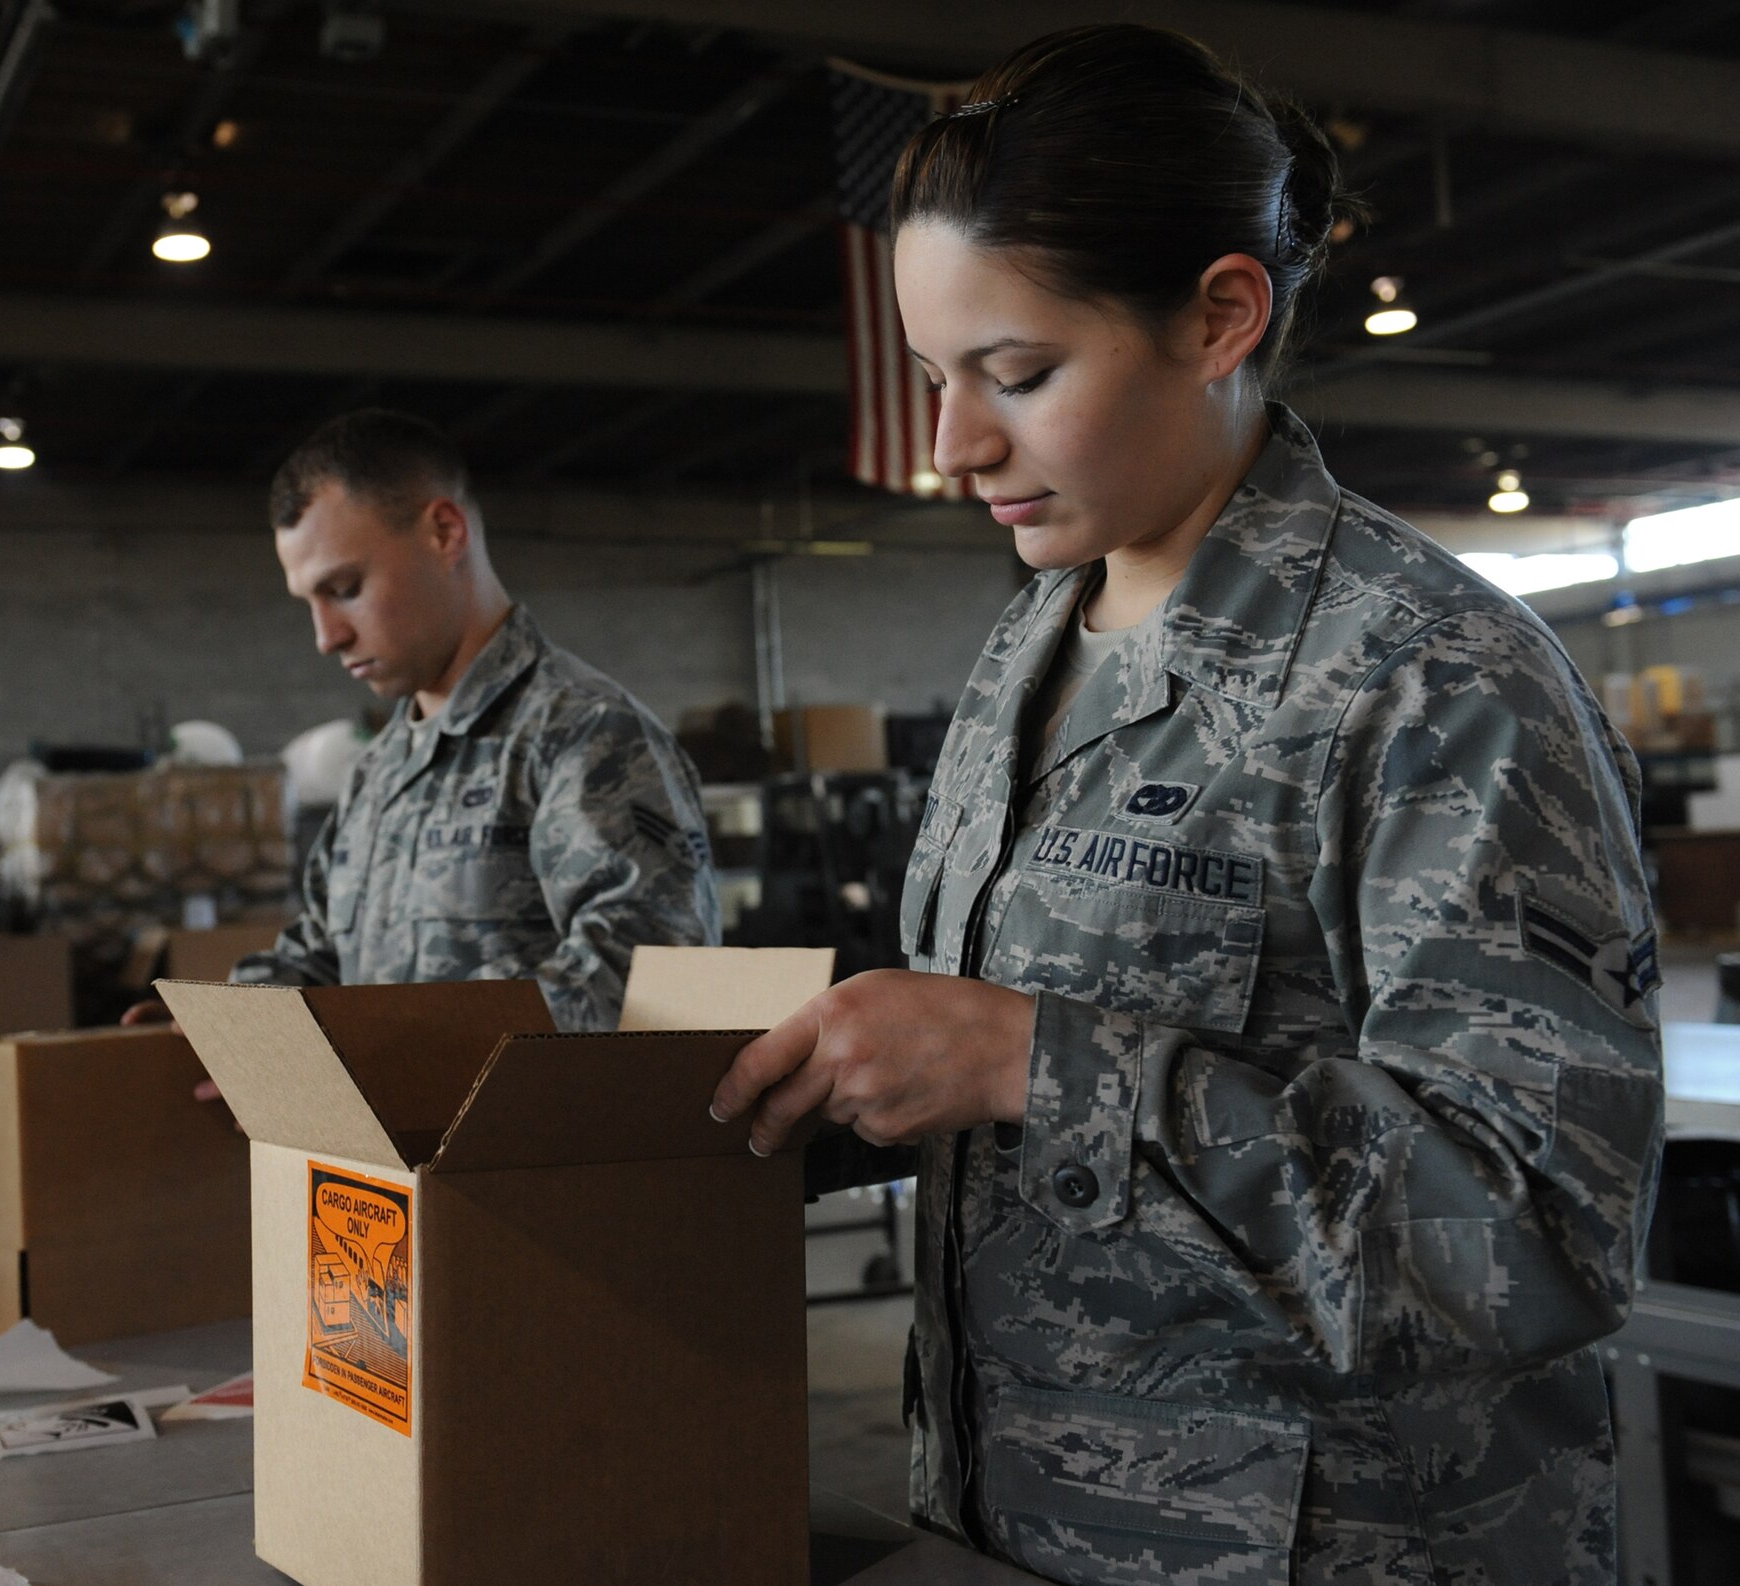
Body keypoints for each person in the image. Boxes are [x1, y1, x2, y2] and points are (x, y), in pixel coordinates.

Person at [712, 25, 1662, 1586]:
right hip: (1017, 1520)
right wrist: (835, 1096)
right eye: (937, 378)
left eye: (1018, 373)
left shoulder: (1432, 681)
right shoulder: (1033, 649)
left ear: (1223, 315)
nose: (954, 444)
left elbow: (1534, 1230)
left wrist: (1034, 1061)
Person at [133, 408, 720, 1035]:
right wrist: (226, 1025)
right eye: (309, 603)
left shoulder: (587, 738)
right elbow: (323, 955)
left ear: (444, 532)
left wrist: (392, 1044)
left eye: (345, 587)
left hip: (527, 1134)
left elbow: (643, 993)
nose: (326, 637)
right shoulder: (380, 774)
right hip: (388, 1134)